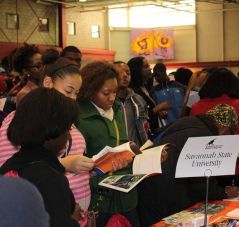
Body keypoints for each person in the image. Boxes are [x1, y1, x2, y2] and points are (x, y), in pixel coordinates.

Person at [0, 57, 93, 226]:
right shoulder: (22, 120)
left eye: (76, 94)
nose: (72, 98)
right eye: (68, 91)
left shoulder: (69, 124)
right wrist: (64, 164)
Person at [138, 104, 238, 226]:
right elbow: (200, 183)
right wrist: (223, 193)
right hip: (167, 192)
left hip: (148, 183)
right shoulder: (206, 136)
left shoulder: (189, 121)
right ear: (224, 129)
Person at [76, 61, 139, 227]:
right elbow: (75, 166)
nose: (112, 97)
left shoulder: (118, 109)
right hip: (99, 200)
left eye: (115, 92)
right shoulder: (79, 117)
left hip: (127, 197)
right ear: (90, 91)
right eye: (106, 93)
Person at [128, 56, 170, 136]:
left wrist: (158, 112)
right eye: (146, 66)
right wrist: (158, 108)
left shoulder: (144, 87)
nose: (150, 69)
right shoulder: (133, 91)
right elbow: (138, 117)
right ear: (137, 70)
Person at [114, 61, 149, 147]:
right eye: (119, 73)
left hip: (138, 151)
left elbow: (145, 127)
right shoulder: (107, 101)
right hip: (117, 153)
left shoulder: (138, 99)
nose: (125, 75)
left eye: (128, 72)